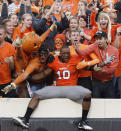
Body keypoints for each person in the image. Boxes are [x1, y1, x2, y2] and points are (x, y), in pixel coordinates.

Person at [10, 45, 93, 130]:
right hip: (58, 88)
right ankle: (25, 119)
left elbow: (86, 63)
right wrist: (30, 77)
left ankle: (83, 121)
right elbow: (44, 69)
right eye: (64, 53)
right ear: (60, 54)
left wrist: (92, 66)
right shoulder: (54, 60)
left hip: (71, 88)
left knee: (87, 94)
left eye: (68, 53)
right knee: (37, 94)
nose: (66, 55)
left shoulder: (75, 58)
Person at [75, 30, 119, 98]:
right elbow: (83, 52)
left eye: (100, 39)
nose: (98, 41)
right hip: (96, 82)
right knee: (96, 103)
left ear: (106, 39)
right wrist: (77, 50)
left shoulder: (114, 50)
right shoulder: (94, 45)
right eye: (97, 39)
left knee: (110, 103)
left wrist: (105, 71)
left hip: (109, 82)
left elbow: (113, 68)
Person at [0, 25, 16, 97]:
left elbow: (12, 69)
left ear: (5, 35)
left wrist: (10, 62)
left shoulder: (10, 47)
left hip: (6, 81)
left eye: (0, 34)